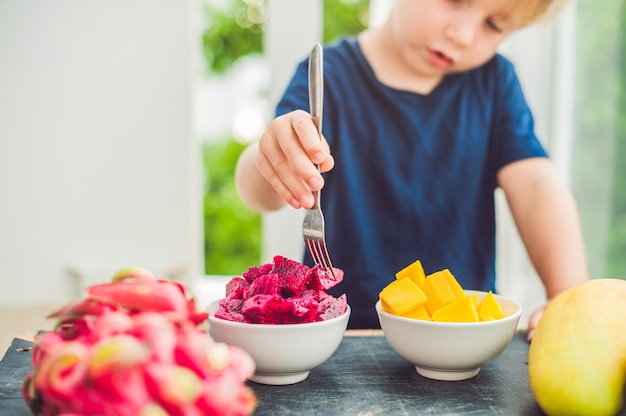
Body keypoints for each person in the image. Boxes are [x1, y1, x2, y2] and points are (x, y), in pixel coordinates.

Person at [235, 0, 588, 340]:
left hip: (459, 334)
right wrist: (270, 156)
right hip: (340, 335)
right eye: (455, 0)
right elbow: (260, 192)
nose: (462, 35)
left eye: (493, 25)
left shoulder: (495, 83)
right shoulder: (329, 78)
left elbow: (535, 186)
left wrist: (568, 294)